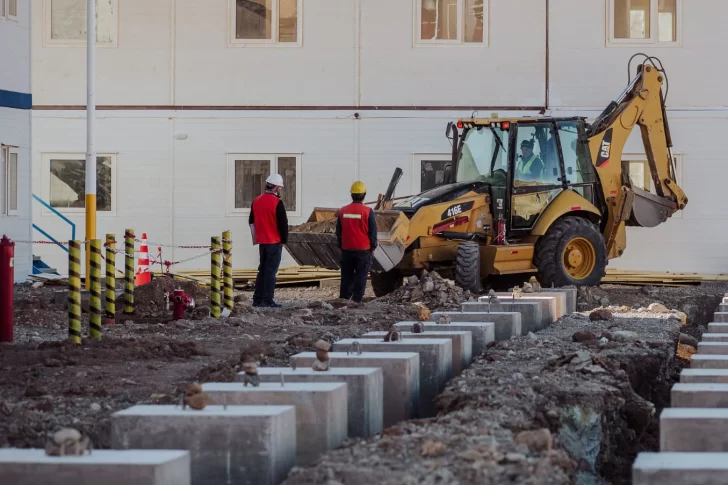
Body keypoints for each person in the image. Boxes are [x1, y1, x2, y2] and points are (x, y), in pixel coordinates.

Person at [249, 173, 288, 308]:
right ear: (277, 188)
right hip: (274, 241)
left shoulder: (256, 201)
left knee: (263, 270)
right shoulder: (277, 202)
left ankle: (257, 299)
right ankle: (267, 300)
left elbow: (251, 221)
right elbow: (283, 223)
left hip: (262, 242)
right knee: (271, 272)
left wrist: (256, 238)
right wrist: (284, 240)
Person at [336, 181, 377, 304]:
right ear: (364, 195)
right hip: (363, 249)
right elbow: (373, 232)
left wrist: (341, 246)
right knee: (361, 275)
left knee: (346, 276)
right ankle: (357, 300)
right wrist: (373, 247)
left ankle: (344, 299)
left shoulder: (343, 211)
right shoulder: (368, 211)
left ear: (351, 195)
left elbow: (339, 231)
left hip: (347, 249)